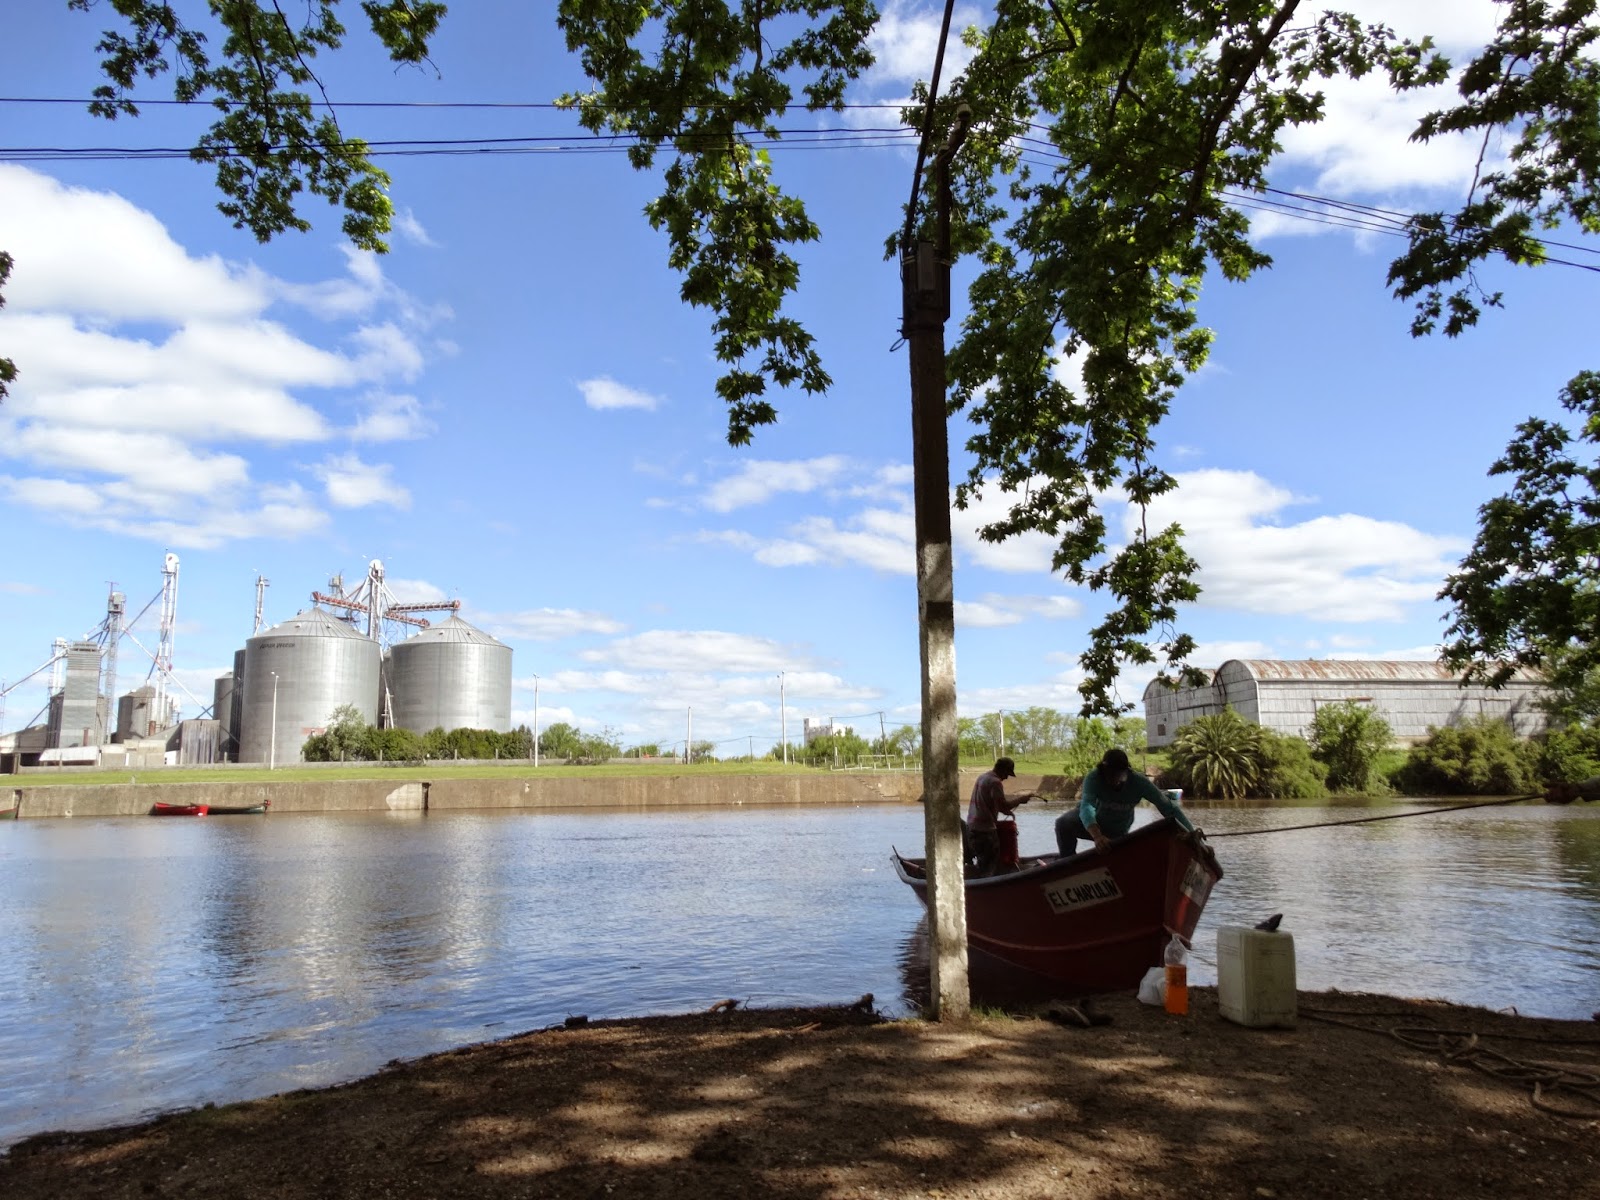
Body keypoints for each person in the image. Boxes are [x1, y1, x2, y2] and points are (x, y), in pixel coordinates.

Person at [1056, 746, 1194, 856]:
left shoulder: (1139, 782)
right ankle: (1067, 863)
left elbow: (1168, 808)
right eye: (1109, 775)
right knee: (1063, 823)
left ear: (1127, 771)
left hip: (1117, 833)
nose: (1114, 781)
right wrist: (1097, 836)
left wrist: (1193, 836)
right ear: (1103, 771)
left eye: (1118, 776)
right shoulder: (1094, 778)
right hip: (1091, 825)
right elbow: (1087, 807)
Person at [965, 756, 1034, 877]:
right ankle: (988, 892)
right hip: (985, 831)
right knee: (990, 867)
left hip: (972, 827)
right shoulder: (995, 782)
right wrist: (1020, 800)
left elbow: (991, 803)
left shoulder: (983, 777)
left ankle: (979, 889)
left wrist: (1008, 812)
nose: (1007, 777)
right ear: (1002, 769)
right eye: (1007, 773)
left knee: (982, 864)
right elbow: (1003, 806)